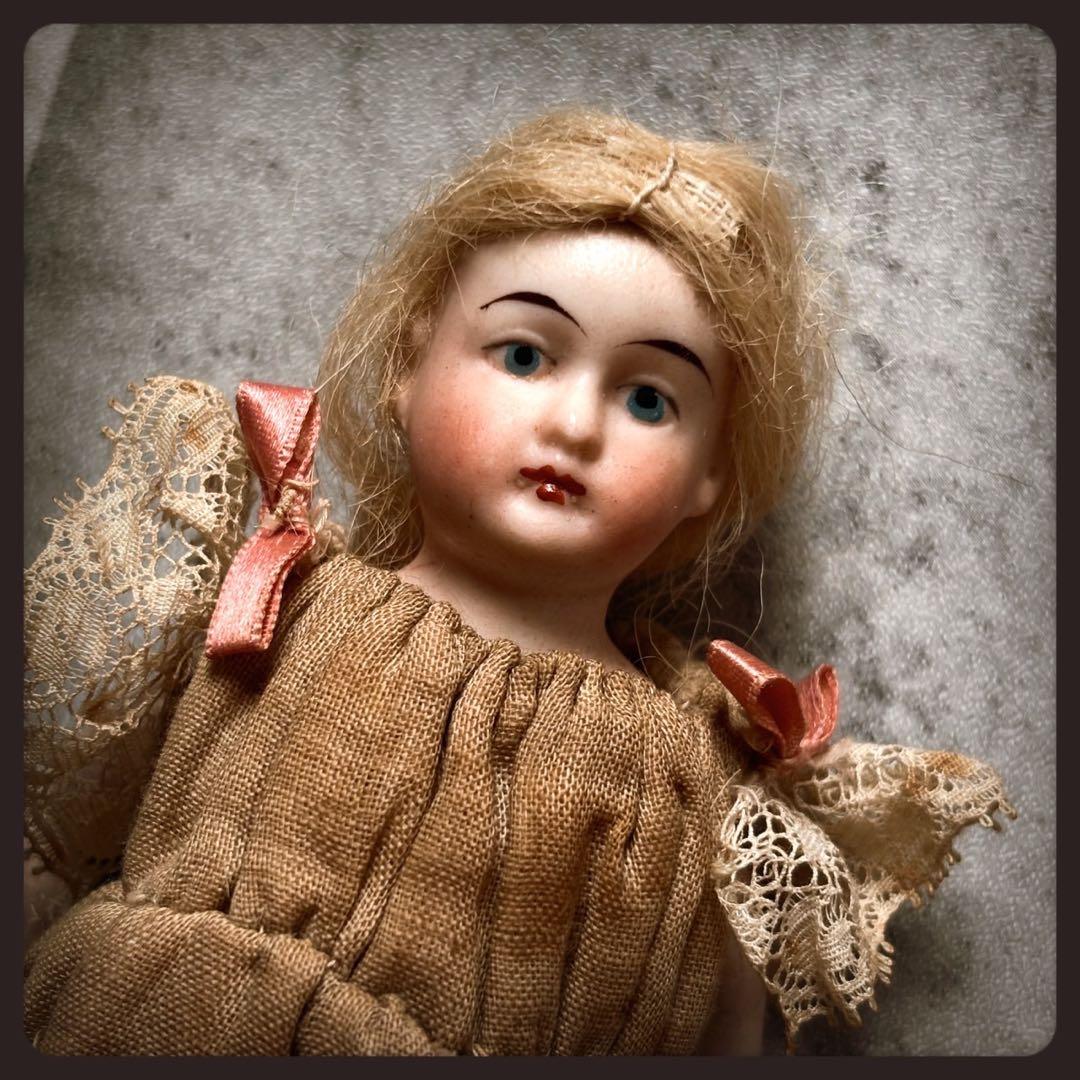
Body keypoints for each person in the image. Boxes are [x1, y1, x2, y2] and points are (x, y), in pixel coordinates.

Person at [23, 109, 1011, 1055]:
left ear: (709, 475)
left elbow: (724, 1031)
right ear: (409, 364)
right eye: (526, 354)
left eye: (649, 400)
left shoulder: (705, 773)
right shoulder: (271, 593)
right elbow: (66, 829)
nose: (575, 426)